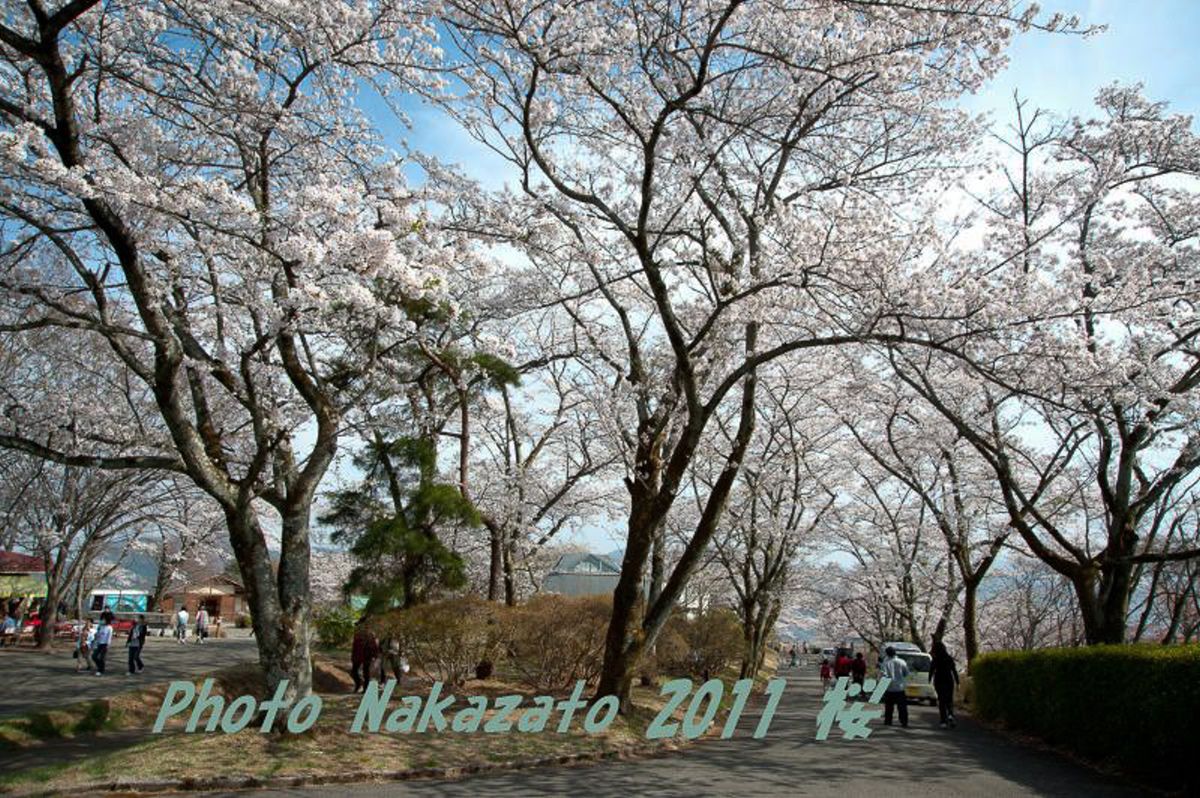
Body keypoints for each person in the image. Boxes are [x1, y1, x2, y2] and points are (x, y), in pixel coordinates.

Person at [929, 639, 960, 728]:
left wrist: (929, 680)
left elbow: (931, 670)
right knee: (949, 699)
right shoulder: (949, 658)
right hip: (949, 679)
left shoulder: (935, 659)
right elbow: (954, 670)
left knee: (941, 700)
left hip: (939, 680)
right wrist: (958, 682)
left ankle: (943, 721)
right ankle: (950, 714)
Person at [879, 646, 911, 727]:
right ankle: (904, 722)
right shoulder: (902, 662)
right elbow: (906, 673)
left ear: (887, 654)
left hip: (889, 688)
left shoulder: (885, 663)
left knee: (889, 706)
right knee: (902, 707)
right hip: (900, 688)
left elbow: (883, 675)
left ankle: (888, 721)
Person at [350, 620, 380, 693]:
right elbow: (354, 647)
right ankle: (358, 684)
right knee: (354, 672)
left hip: (367, 656)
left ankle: (365, 689)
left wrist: (374, 656)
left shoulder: (370, 634)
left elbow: (374, 646)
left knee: (366, 672)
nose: (357, 627)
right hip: (357, 656)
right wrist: (353, 656)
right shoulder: (357, 634)